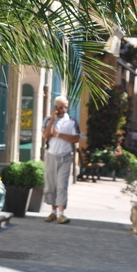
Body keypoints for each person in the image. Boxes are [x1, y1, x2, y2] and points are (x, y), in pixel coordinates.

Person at [41, 95, 80, 224]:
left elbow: (75, 138)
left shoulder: (72, 121)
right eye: (60, 107)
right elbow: (46, 135)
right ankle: (53, 212)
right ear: (55, 107)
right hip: (51, 154)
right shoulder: (48, 120)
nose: (63, 109)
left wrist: (58, 134)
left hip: (65, 155)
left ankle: (61, 214)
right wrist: (52, 119)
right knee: (51, 184)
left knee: (62, 185)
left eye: (65, 107)